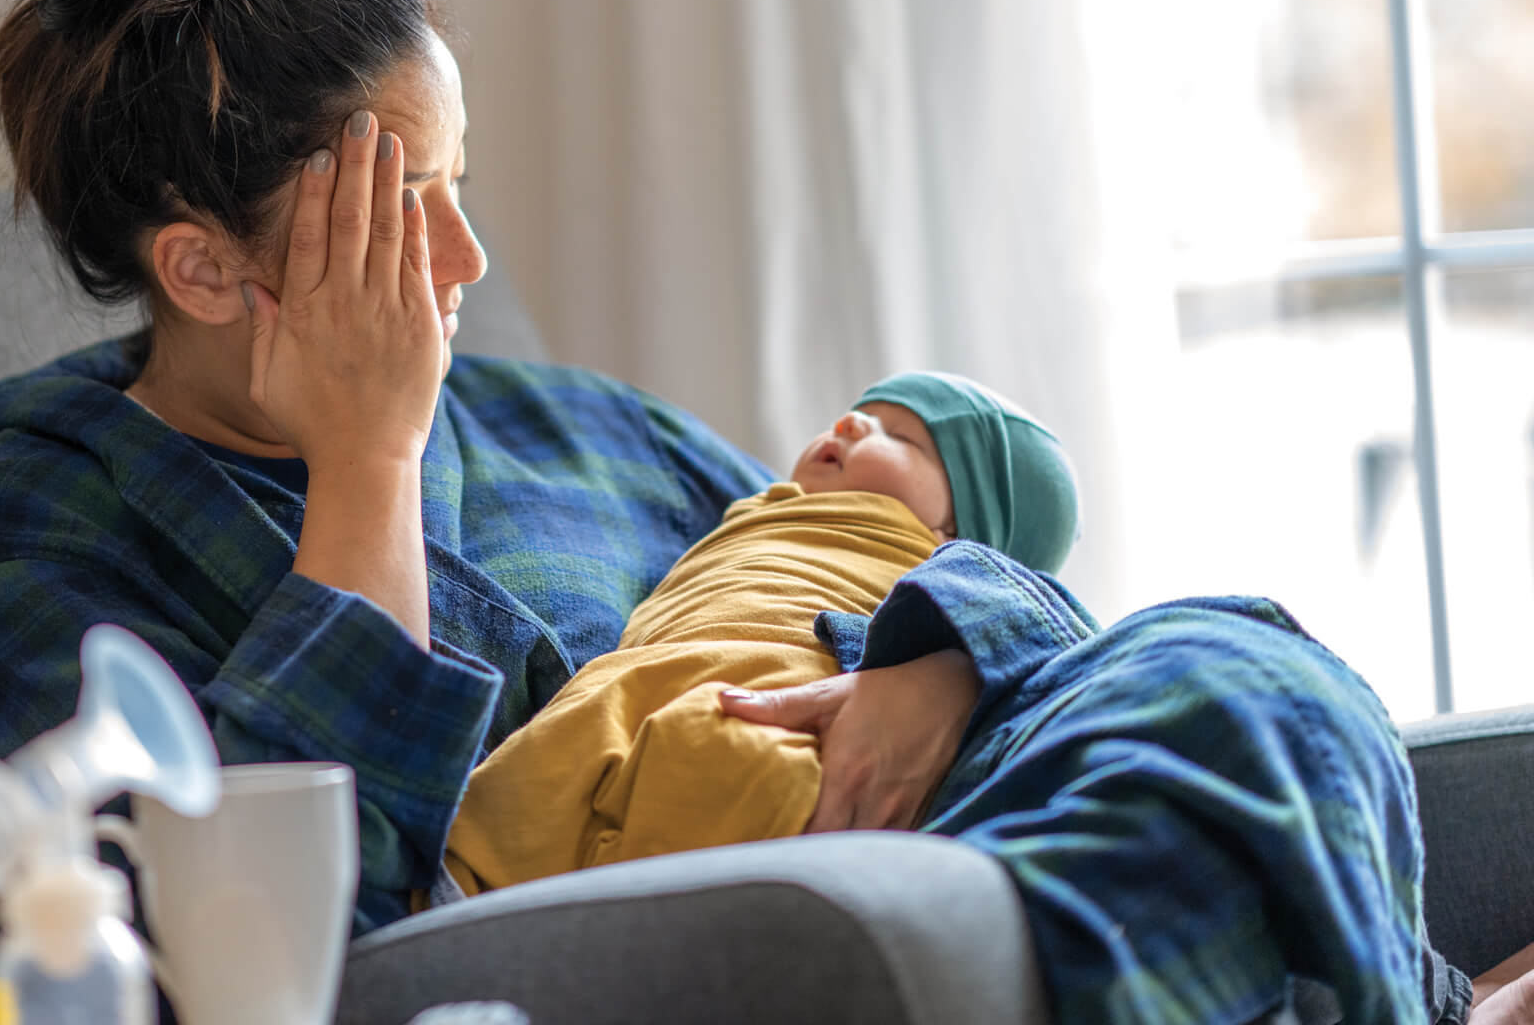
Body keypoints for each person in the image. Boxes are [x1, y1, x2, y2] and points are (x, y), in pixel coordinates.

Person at [0, 0, 1534, 1021]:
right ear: (201, 268)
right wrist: (367, 473)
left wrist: (940, 660)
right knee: (1167, 801)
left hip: (944, 812)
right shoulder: (26, 540)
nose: (466, 270)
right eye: (408, 218)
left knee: (1233, 654)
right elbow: (240, 961)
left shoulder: (579, 427)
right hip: (659, 950)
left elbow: (832, 552)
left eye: (464, 191)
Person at [437, 371, 1080, 898]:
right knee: (510, 803)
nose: (851, 423)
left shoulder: (940, 563)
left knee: (732, 765)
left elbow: (1029, 624)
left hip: (771, 687)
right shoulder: (755, 507)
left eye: (904, 439)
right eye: (860, 411)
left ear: (957, 531)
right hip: (634, 682)